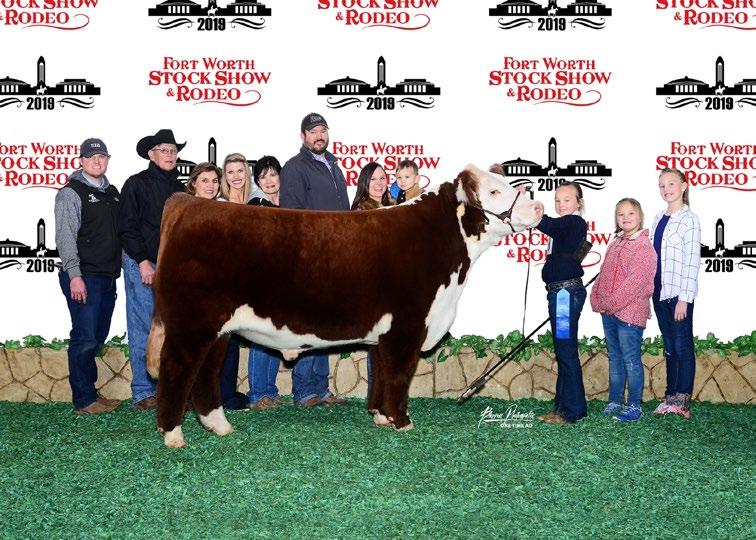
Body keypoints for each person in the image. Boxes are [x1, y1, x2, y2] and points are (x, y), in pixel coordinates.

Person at [280, 112, 349, 407]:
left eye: (323, 130)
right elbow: (291, 216)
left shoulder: (334, 166)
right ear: (303, 136)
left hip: (335, 256)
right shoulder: (294, 167)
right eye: (313, 131)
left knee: (324, 322)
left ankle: (321, 388)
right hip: (310, 257)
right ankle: (304, 390)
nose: (319, 135)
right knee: (307, 321)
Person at [118, 129, 186, 410]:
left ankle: (167, 390)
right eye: (164, 150)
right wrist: (143, 261)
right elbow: (126, 226)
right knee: (143, 325)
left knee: (171, 328)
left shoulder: (181, 189)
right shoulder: (136, 183)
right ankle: (143, 391)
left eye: (173, 150)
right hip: (144, 262)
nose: (170, 155)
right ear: (151, 154)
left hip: (171, 265)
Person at [55, 138, 122, 415]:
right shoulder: (71, 192)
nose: (97, 161)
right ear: (81, 161)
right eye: (91, 157)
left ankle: (90, 393)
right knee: (84, 338)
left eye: (102, 156)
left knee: (96, 337)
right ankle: (83, 400)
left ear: (107, 160)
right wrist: (74, 275)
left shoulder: (113, 193)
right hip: (84, 276)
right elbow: (65, 237)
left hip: (107, 276)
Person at [590, 198, 656, 422]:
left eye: (630, 213)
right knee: (615, 358)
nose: (625, 218)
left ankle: (634, 406)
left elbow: (633, 284)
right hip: (609, 312)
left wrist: (608, 304)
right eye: (621, 214)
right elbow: (603, 274)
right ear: (616, 218)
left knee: (631, 360)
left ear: (640, 216)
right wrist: (596, 298)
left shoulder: (644, 247)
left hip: (630, 313)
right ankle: (615, 400)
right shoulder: (615, 243)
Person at [533, 182, 589, 425]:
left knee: (566, 352)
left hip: (565, 295)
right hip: (559, 294)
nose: (561, 204)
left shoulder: (574, 222)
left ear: (579, 203)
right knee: (563, 350)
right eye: (557, 200)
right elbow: (551, 226)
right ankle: (562, 408)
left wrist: (533, 211)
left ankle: (572, 411)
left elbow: (549, 225)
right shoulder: (564, 226)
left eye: (567, 200)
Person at [650, 168, 701, 419]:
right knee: (670, 347)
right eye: (662, 185)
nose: (666, 189)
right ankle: (670, 397)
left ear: (683, 186)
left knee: (682, 347)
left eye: (671, 184)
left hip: (678, 295)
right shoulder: (658, 218)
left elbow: (692, 261)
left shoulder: (689, 219)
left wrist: (684, 298)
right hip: (659, 293)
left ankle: (682, 401)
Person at [217, 153, 257, 410]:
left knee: (236, 335)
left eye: (240, 171)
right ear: (225, 176)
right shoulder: (219, 204)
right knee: (221, 334)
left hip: (250, 277)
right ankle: (215, 393)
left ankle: (227, 392)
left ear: (247, 172)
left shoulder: (256, 202)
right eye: (230, 172)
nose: (236, 176)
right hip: (225, 276)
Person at [245, 156, 284, 409]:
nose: (269, 181)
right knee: (261, 333)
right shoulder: (256, 204)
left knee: (275, 333)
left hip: (283, 277)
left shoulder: (288, 202)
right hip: (262, 277)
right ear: (257, 182)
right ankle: (258, 393)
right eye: (263, 177)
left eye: (272, 174)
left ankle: (269, 389)